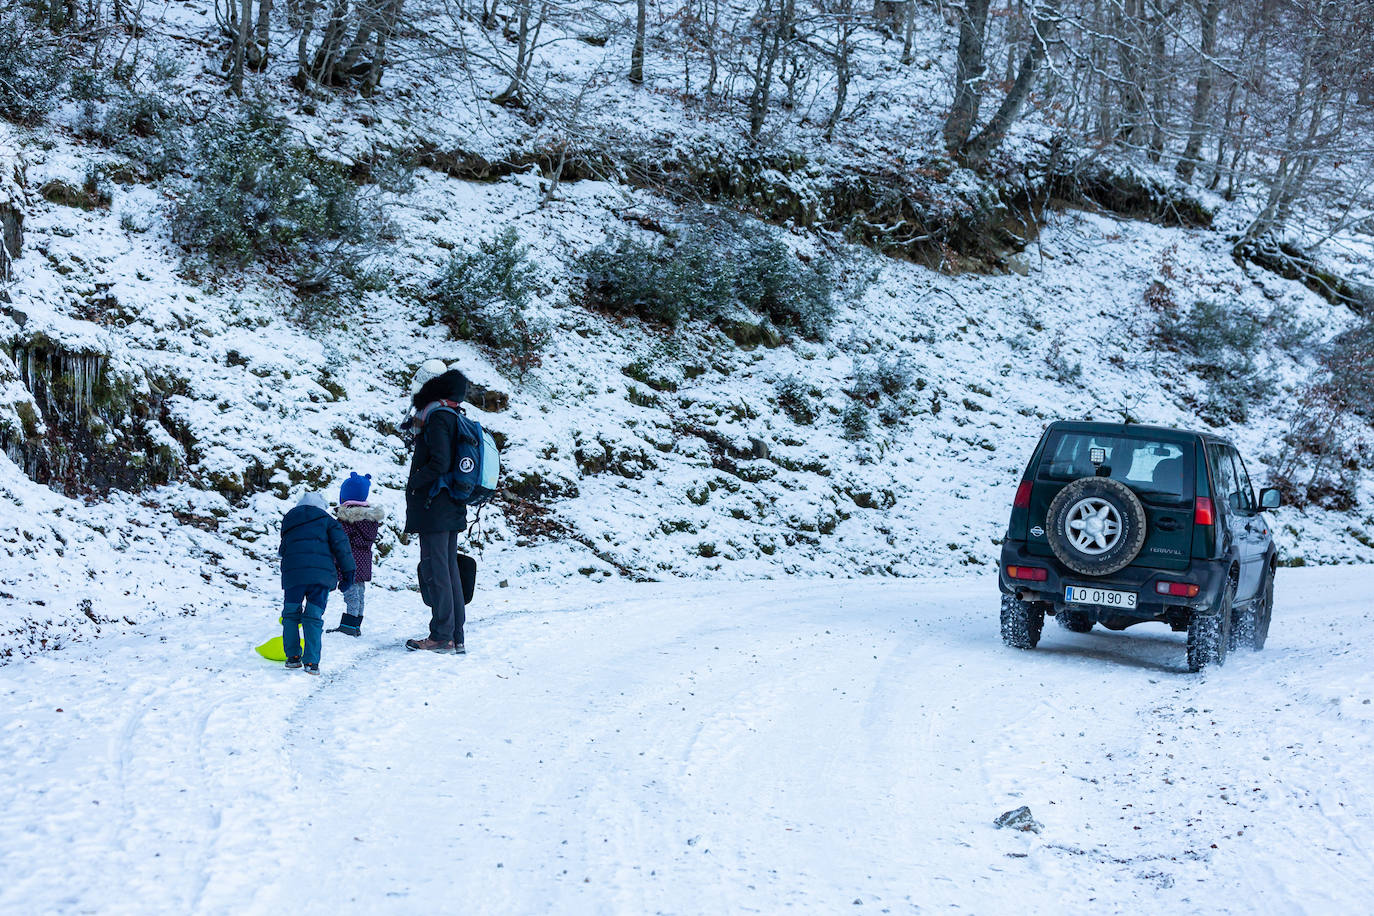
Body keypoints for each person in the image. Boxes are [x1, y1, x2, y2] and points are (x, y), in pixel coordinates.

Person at [403, 360, 471, 655]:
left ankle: (441, 635)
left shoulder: (438, 416)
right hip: (449, 501)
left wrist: (416, 481)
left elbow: (440, 462)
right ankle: (455, 635)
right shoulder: (452, 412)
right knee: (448, 568)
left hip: (436, 502)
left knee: (437, 568)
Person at [278, 491, 355, 674]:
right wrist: (348, 574)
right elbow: (342, 548)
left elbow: (283, 550)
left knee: (290, 615)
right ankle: (312, 663)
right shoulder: (329, 522)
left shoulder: (290, 521)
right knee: (313, 617)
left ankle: (293, 657)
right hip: (320, 578)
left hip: (294, 576)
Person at [328, 472, 385, 637]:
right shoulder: (370, 519)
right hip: (364, 562)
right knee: (359, 593)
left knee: (351, 595)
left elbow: (340, 541)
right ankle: (356, 624)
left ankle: (349, 626)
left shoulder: (347, 519)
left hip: (350, 562)